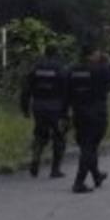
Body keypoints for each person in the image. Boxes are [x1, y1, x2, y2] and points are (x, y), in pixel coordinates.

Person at [66, 46, 110, 194]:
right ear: (90, 56)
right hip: (96, 115)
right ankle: (78, 183)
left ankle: (96, 175)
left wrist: (64, 114)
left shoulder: (72, 71)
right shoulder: (100, 69)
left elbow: (65, 93)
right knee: (89, 147)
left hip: (78, 113)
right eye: (97, 52)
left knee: (87, 146)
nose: (100, 54)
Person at [19, 44, 70, 178]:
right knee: (59, 137)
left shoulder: (36, 68)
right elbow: (67, 91)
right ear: (57, 53)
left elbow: (26, 90)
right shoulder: (60, 68)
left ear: (45, 53)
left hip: (38, 105)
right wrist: (66, 112)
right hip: (55, 106)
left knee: (40, 134)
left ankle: (35, 159)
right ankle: (55, 170)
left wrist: (25, 109)